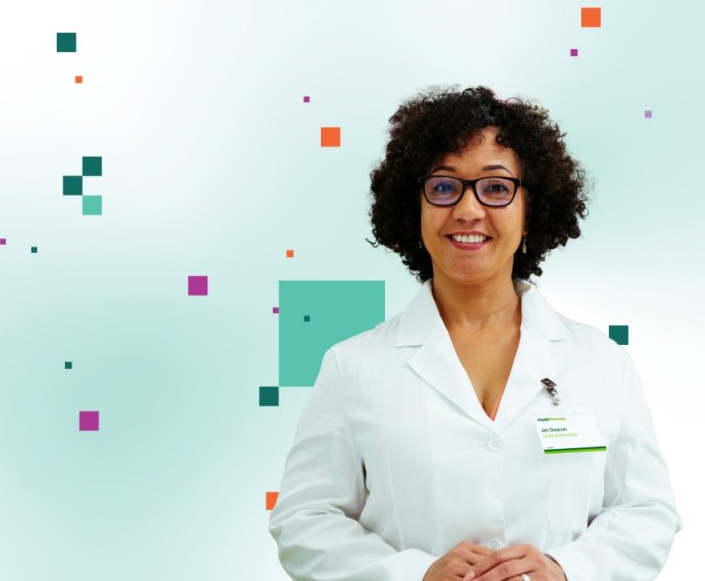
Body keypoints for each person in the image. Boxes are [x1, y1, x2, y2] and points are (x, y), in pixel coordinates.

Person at [268, 85, 682, 581]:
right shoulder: (352, 367)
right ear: (413, 210)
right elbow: (303, 521)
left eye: (496, 187)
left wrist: (565, 569)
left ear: (532, 210)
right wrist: (411, 575)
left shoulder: (601, 362)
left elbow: (649, 512)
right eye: (443, 187)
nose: (468, 211)